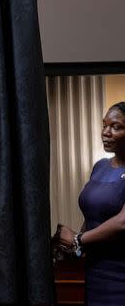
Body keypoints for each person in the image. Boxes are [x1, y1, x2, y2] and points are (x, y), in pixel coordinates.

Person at [57, 101, 125, 305]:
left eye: (116, 126)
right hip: (95, 274)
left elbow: (122, 222)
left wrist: (78, 239)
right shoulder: (100, 166)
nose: (106, 132)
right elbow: (92, 213)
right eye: (104, 125)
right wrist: (74, 249)